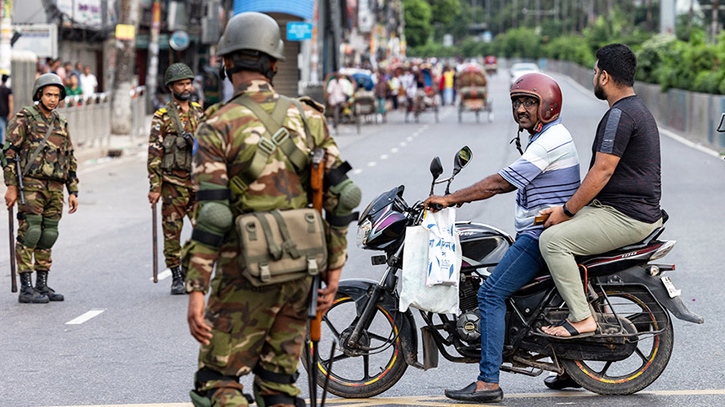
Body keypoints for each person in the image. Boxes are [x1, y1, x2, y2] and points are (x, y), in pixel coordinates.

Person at [185, 11, 358, 407]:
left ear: (227, 63)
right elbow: (344, 197)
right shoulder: (310, 118)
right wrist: (334, 270)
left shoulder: (217, 125)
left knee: (217, 382)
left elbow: (212, 215)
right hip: (303, 271)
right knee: (279, 384)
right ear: (275, 64)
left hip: (241, 274)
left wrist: (196, 287)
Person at [425, 73, 580, 403]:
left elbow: (501, 182)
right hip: (539, 230)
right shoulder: (543, 137)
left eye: (529, 102)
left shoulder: (550, 140)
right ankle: (568, 367)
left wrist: (452, 199)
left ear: (548, 106)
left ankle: (487, 383)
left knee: (490, 294)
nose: (521, 109)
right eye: (517, 102)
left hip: (542, 235)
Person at [539, 43, 663, 347]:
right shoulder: (634, 110)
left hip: (626, 216)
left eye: (595, 72)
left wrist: (567, 211)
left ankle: (582, 318)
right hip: (620, 210)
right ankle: (571, 361)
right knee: (550, 224)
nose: (594, 76)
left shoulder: (620, 115)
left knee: (552, 241)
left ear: (605, 77)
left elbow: (602, 171)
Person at [2, 73, 79, 304]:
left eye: (56, 95)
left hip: (55, 187)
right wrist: (11, 186)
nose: (53, 99)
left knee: (49, 234)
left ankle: (42, 284)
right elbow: (8, 153)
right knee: (31, 232)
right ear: (39, 95)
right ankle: (26, 288)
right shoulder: (25, 118)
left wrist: (73, 190)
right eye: (48, 95)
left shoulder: (61, 123)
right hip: (31, 185)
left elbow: (69, 158)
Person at [147, 63, 205, 295]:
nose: (186, 87)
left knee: (204, 230)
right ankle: (176, 275)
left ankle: (193, 269)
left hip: (198, 184)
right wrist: (155, 186)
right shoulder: (162, 117)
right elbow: (154, 153)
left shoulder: (200, 113)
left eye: (188, 83)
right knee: (172, 233)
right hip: (172, 184)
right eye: (181, 83)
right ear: (171, 87)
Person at [0, 74, 13, 143]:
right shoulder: (8, 90)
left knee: (0, 130)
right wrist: (10, 113)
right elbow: (10, 101)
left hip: (0, 112)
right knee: (8, 130)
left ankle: (0, 146)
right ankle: (7, 145)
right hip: (7, 112)